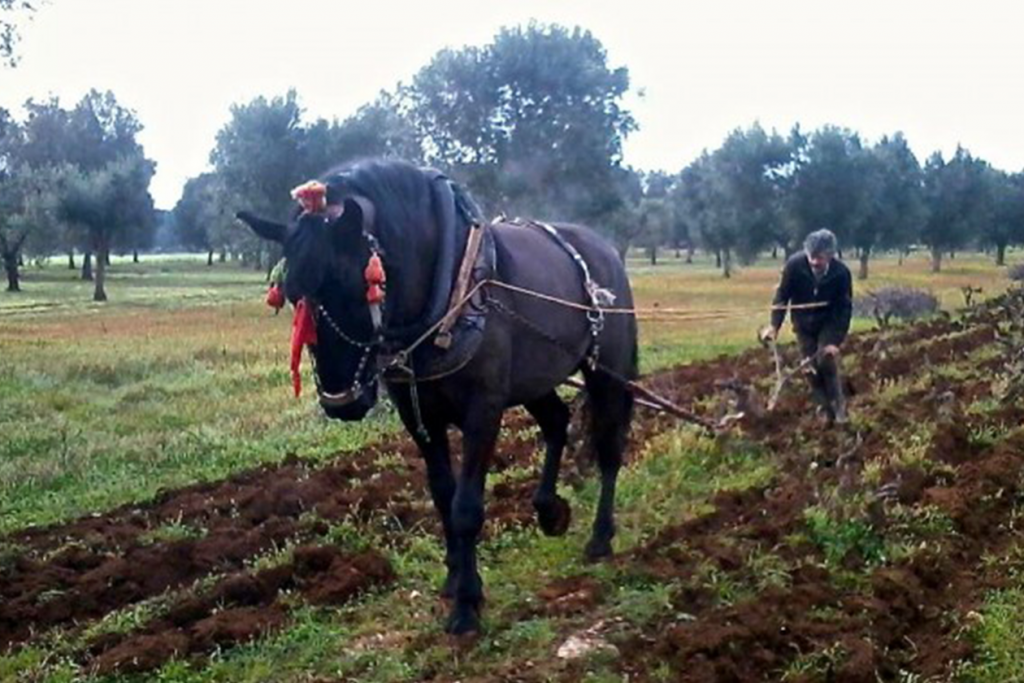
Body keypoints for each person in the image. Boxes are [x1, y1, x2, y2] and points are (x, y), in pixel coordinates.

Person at [765, 229, 853, 424]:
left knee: (826, 361)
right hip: (803, 324)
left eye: (819, 258)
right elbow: (782, 296)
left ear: (830, 255)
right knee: (809, 367)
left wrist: (834, 341)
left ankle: (839, 406)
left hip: (828, 323)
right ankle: (822, 408)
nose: (814, 262)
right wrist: (774, 325)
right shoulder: (794, 266)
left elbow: (844, 310)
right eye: (811, 256)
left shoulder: (841, 274)